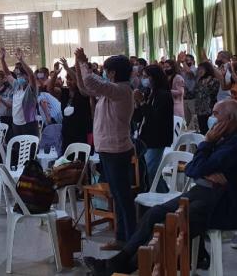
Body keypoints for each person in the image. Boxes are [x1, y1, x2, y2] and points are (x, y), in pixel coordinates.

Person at [84, 99, 237, 275]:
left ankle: (122, 267)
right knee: (153, 213)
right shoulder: (226, 138)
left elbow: (197, 168)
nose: (212, 118)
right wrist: (205, 165)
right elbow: (192, 169)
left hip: (226, 203)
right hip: (207, 192)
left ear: (229, 119)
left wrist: (207, 143)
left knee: (167, 227)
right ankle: (118, 262)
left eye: (216, 114)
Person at [76, 48, 137, 247]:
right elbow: (85, 88)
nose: (103, 73)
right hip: (108, 150)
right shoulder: (110, 91)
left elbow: (91, 82)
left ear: (112, 73)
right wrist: (79, 65)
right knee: (117, 197)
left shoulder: (121, 90)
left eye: (105, 70)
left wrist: (85, 63)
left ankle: (131, 242)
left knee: (123, 197)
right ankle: (121, 238)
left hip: (117, 151)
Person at [133, 65, 174, 193]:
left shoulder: (164, 95)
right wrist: (137, 104)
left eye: (146, 76)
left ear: (155, 78)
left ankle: (164, 197)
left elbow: (155, 117)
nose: (144, 79)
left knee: (151, 172)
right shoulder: (148, 92)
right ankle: (165, 196)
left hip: (157, 138)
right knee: (151, 172)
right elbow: (139, 117)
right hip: (145, 136)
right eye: (142, 76)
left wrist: (142, 103)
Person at [50, 57, 92, 152]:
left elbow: (78, 82)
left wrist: (67, 68)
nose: (68, 81)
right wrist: (55, 74)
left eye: (71, 79)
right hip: (67, 132)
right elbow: (50, 89)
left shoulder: (83, 92)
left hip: (82, 132)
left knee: (81, 161)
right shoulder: (65, 92)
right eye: (67, 79)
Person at [0, 47, 38, 138]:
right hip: (16, 123)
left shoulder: (31, 89)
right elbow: (8, 74)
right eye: (17, 75)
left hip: (28, 124)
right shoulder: (16, 86)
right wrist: (2, 60)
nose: (18, 77)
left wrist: (22, 60)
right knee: (18, 149)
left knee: (29, 150)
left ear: (26, 77)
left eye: (21, 75)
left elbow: (31, 75)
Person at [194, 62, 220, 134]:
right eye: (198, 69)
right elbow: (196, 93)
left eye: (202, 69)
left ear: (207, 69)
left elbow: (212, 93)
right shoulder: (199, 81)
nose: (199, 71)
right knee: (203, 131)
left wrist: (205, 84)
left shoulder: (214, 81)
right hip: (200, 110)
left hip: (210, 109)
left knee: (212, 131)